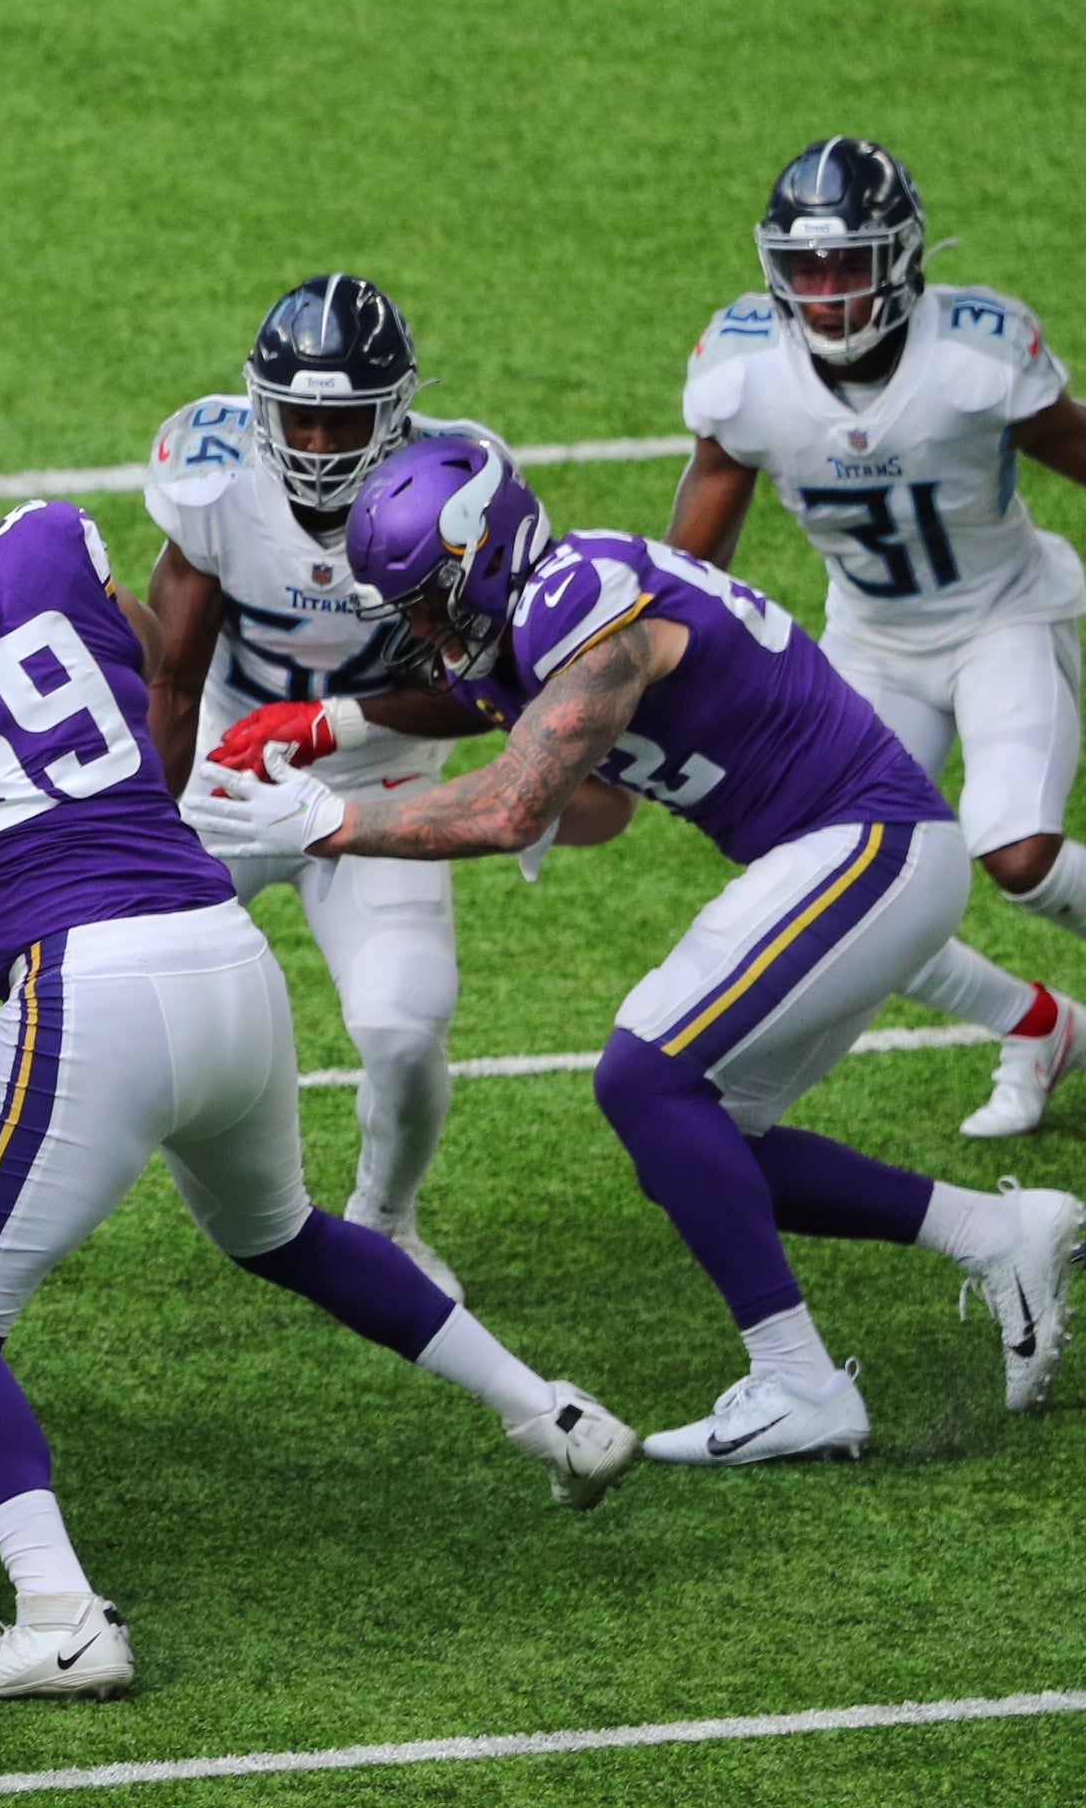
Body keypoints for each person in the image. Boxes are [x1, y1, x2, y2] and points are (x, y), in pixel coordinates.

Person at [0, 423, 635, 1699]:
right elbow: (148, 646)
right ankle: (549, 1412)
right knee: (284, 1234)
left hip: (81, 988)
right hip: (219, 947)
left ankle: (58, 1613)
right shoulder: (45, 547)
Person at [201, 434, 1084, 1461]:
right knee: (703, 1149)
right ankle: (992, 1233)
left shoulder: (576, 593)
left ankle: (797, 1381)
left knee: (644, 1077)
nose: (416, 625)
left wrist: (329, 821)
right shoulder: (521, 639)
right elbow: (592, 809)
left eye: (426, 599)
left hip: (866, 837)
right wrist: (453, 781)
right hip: (835, 852)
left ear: (479, 555)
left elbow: (512, 807)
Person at [670, 136, 1086, 1141]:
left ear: (900, 259)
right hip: (870, 642)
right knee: (836, 882)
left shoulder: (974, 357)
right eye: (803, 268)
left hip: (1005, 617)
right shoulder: (743, 375)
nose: (824, 292)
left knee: (1013, 848)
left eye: (846, 264)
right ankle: (1037, 1027)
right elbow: (693, 558)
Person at [142, 277, 499, 1288]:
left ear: (394, 413)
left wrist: (334, 721)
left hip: (380, 779)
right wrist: (148, 836)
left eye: (341, 419)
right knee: (106, 977)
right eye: (296, 413)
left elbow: (497, 693)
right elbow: (170, 680)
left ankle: (385, 1221)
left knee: (401, 1024)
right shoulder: (216, 483)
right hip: (230, 763)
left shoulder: (457, 484)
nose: (314, 439)